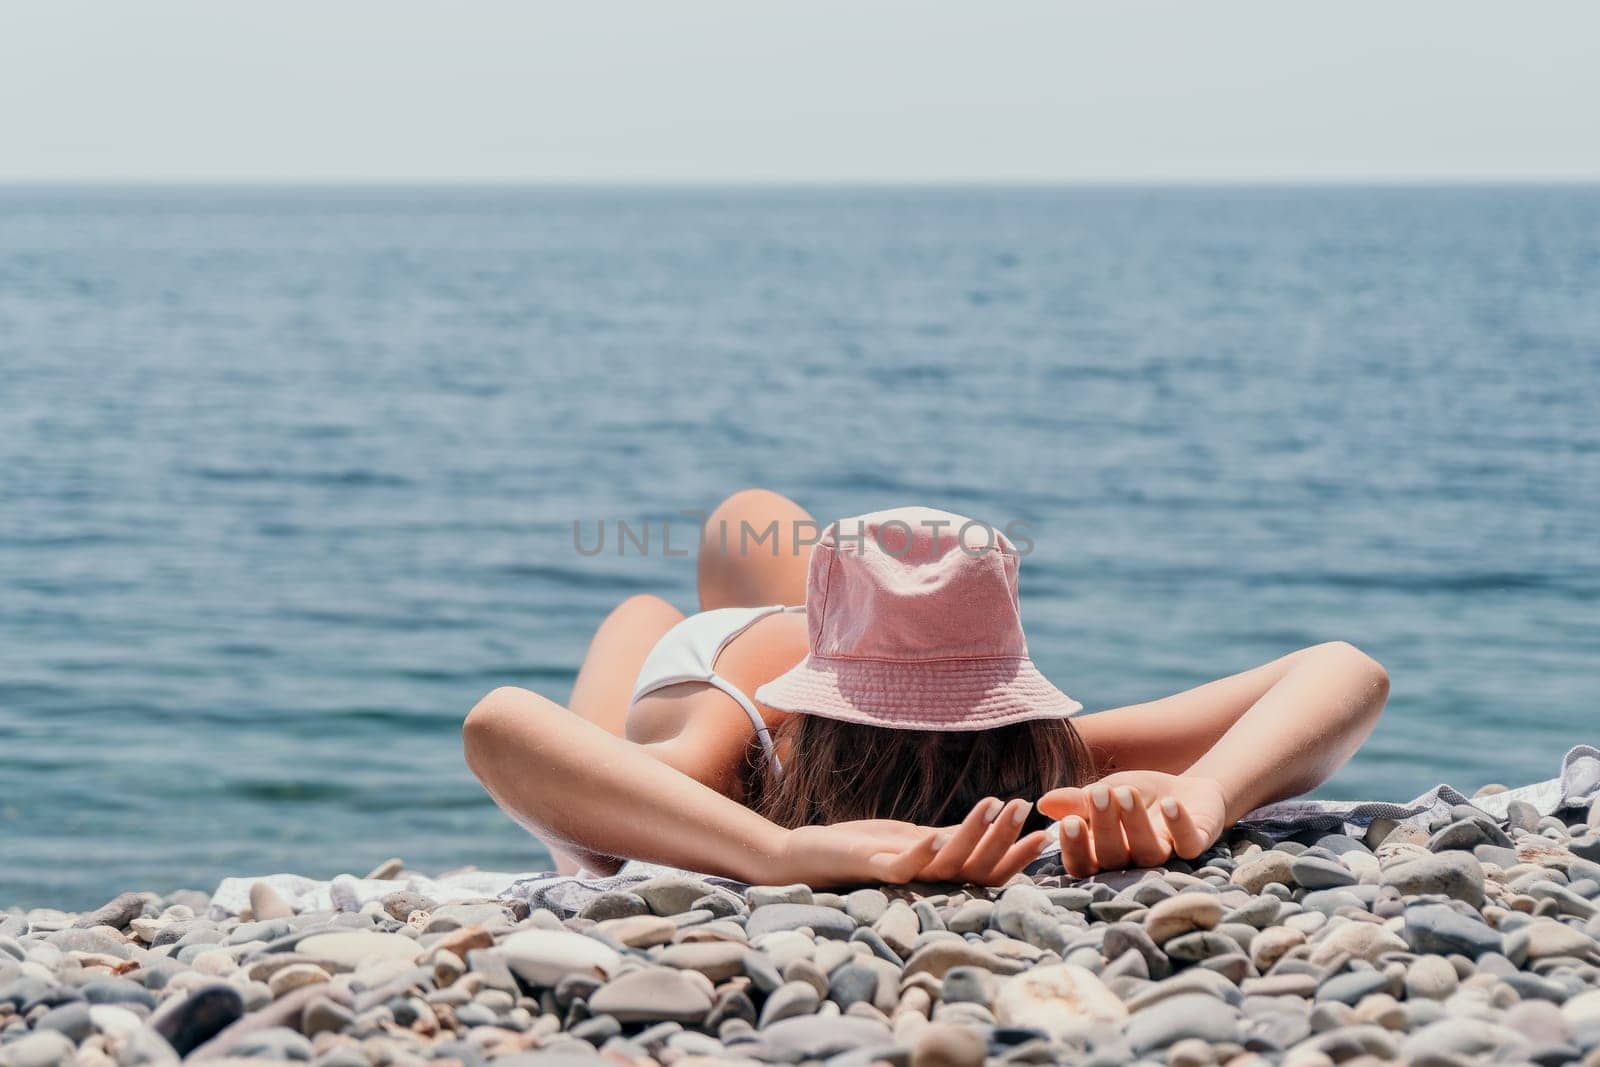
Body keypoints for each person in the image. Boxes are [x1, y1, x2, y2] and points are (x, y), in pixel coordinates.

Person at [465, 490, 1389, 888]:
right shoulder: (1040, 757)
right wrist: (1208, 788)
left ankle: (846, 594)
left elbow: (504, 730)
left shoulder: (1046, 755)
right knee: (730, 540)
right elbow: (1346, 665)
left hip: (821, 635)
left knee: (593, 842)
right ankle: (855, 596)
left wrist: (1210, 789)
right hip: (728, 665)